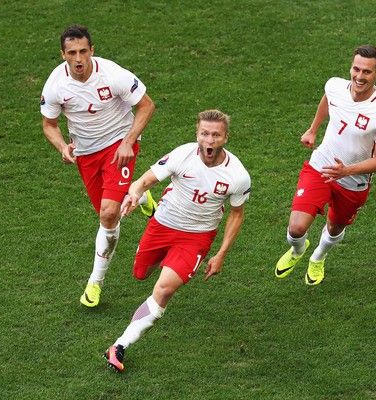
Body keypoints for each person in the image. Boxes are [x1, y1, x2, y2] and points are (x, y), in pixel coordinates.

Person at [104, 110, 251, 372]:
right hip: (162, 225)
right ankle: (149, 206)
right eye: (204, 134)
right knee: (140, 273)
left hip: (197, 236)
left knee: (163, 290)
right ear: (197, 134)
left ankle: (119, 345)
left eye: (216, 135)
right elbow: (143, 180)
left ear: (226, 138)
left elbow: (236, 214)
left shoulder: (237, 175)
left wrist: (221, 254)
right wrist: (134, 194)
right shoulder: (182, 155)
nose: (209, 140)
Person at [40, 25, 156, 307]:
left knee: (108, 214)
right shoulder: (55, 85)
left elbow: (146, 105)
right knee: (109, 212)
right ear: (63, 55)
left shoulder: (113, 75)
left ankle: (95, 282)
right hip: (87, 154)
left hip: (119, 144)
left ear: (92, 50)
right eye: (72, 53)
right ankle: (139, 193)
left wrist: (128, 141)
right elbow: (49, 124)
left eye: (83, 51)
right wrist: (62, 146)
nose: (78, 58)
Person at [274, 45, 376, 285]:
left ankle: (318, 257)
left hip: (353, 182)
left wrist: (346, 171)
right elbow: (327, 101)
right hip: (320, 166)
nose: (359, 76)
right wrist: (313, 129)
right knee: (296, 229)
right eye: (356, 69)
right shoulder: (334, 86)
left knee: (334, 227)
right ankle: (298, 250)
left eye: (367, 72)